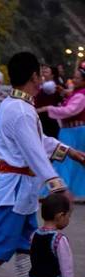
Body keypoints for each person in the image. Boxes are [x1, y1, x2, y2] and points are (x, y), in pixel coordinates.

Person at [0, 52, 85, 277]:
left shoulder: (19, 105)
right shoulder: (20, 110)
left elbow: (37, 142)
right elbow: (33, 150)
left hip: (23, 190)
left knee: (25, 246)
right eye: (40, 73)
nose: (43, 78)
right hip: (14, 189)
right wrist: (58, 185)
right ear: (33, 76)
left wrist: (70, 152)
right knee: (2, 244)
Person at [38, 61, 85, 200]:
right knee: (68, 162)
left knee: (63, 161)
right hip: (70, 132)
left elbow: (69, 110)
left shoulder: (81, 95)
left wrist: (48, 108)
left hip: (74, 132)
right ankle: (63, 192)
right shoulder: (76, 93)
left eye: (77, 78)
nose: (74, 80)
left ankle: (56, 192)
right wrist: (64, 92)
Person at [35, 65, 62, 138]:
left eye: (46, 72)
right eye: (43, 72)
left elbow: (46, 87)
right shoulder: (44, 84)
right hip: (42, 116)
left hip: (47, 118)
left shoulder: (51, 85)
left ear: (52, 75)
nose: (43, 74)